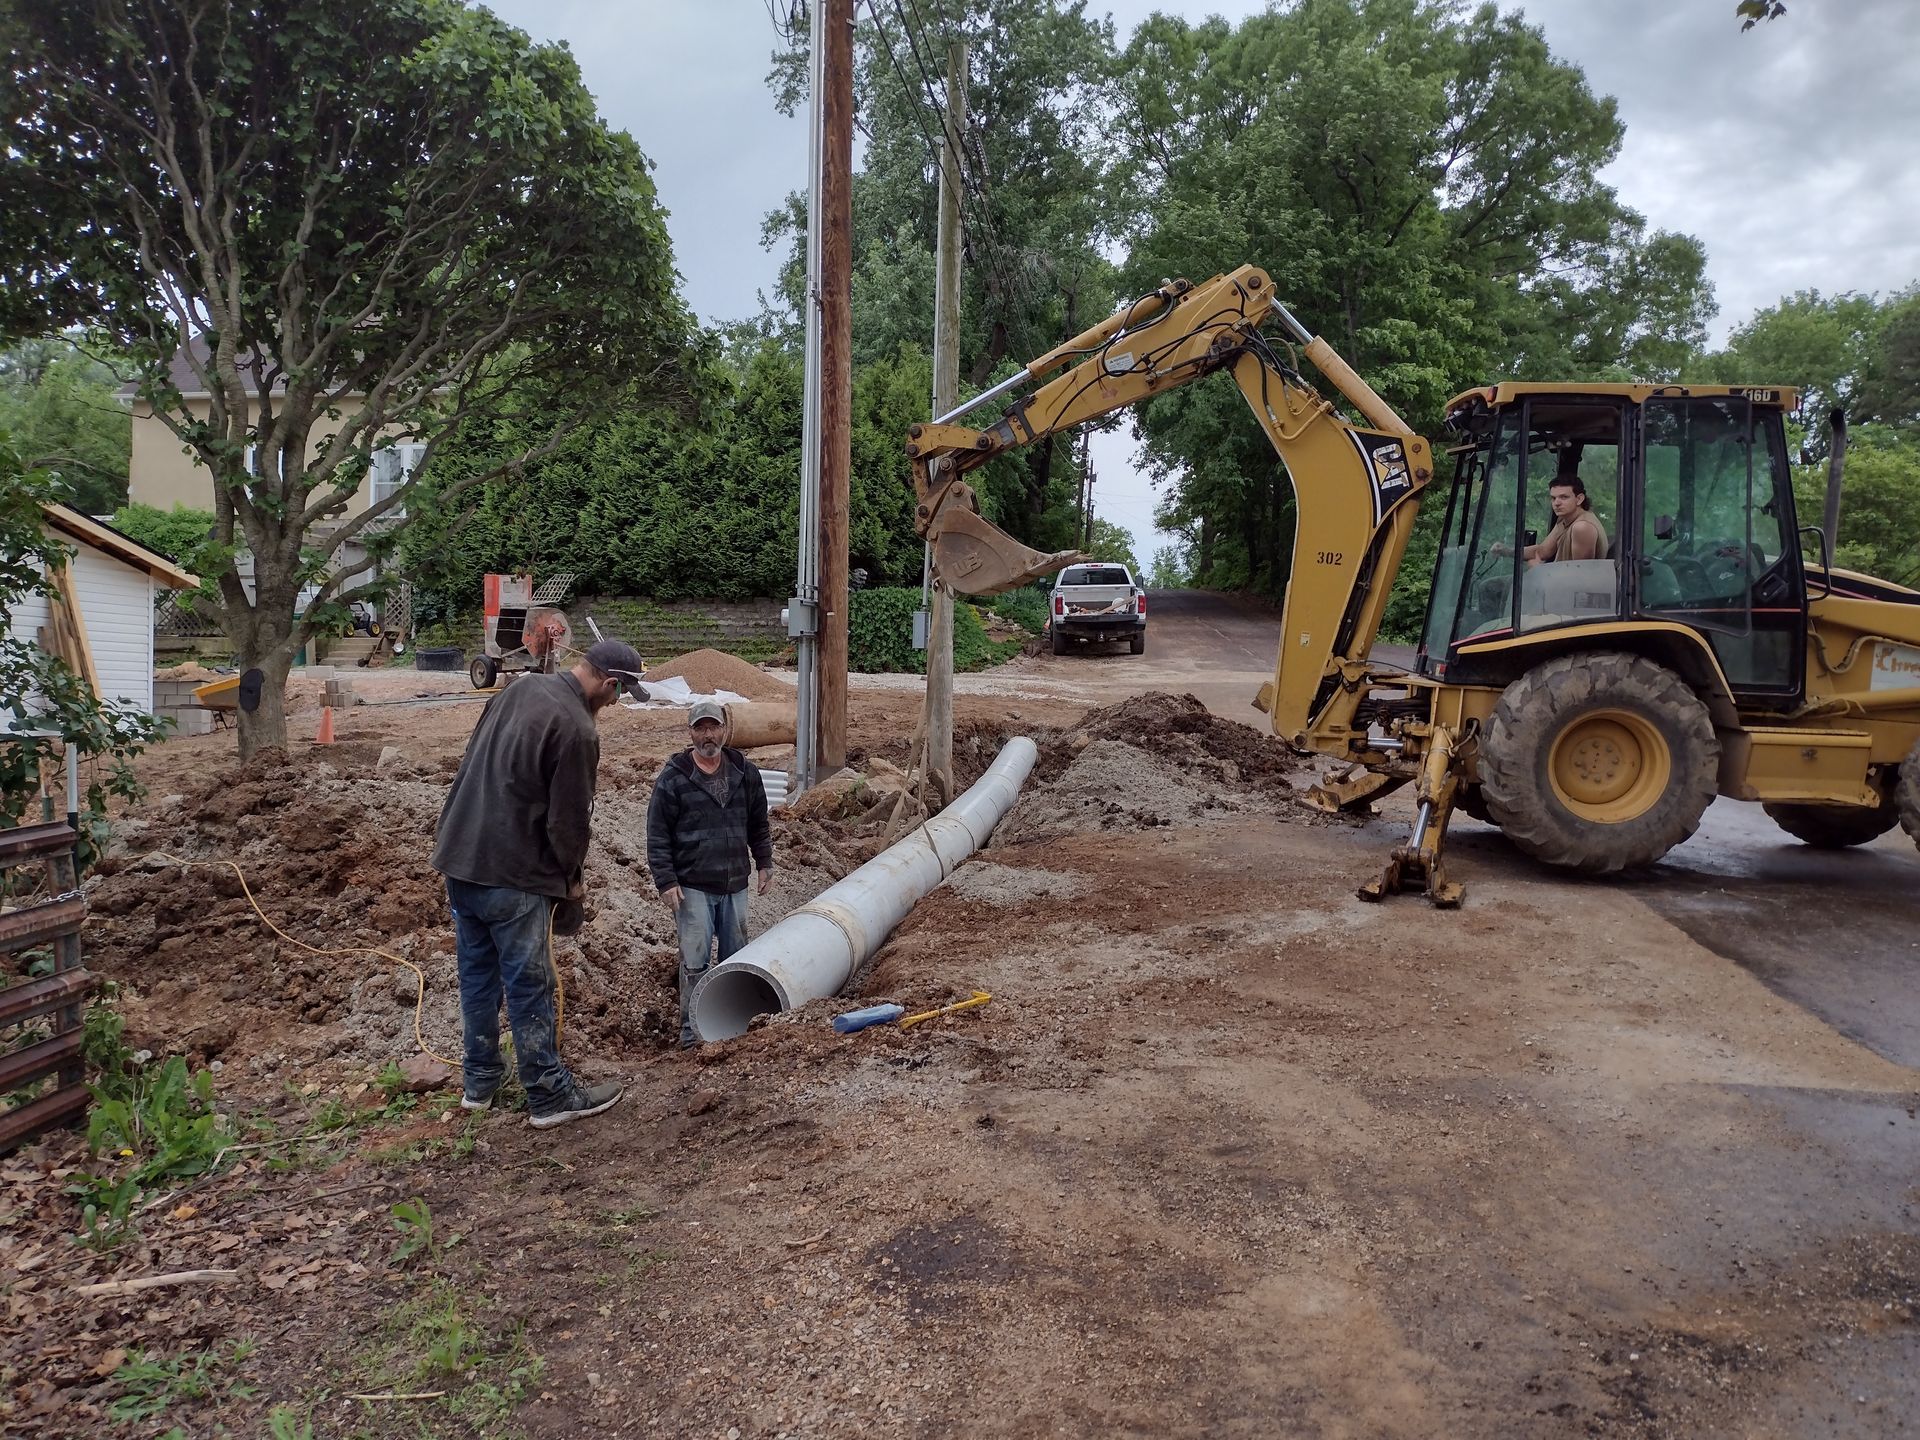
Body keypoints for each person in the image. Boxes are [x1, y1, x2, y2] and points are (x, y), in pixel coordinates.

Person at [431, 637, 645, 1128]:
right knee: (530, 984)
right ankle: (548, 1094)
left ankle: (479, 1083)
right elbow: (568, 822)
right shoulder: (577, 730)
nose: (612, 707)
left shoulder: (519, 689)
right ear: (609, 685)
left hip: (461, 858)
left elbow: (475, 762)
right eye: (617, 697)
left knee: (477, 976)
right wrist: (571, 880)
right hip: (512, 874)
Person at [646, 700, 774, 1048]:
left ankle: (735, 1023)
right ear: (690, 733)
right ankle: (691, 1033)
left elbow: (758, 824)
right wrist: (666, 880)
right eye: (700, 728)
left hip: (734, 883)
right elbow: (657, 834)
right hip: (692, 886)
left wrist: (764, 862)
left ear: (723, 730)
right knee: (695, 960)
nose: (708, 735)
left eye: (713, 727)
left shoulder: (743, 773)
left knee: (736, 957)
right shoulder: (674, 779)